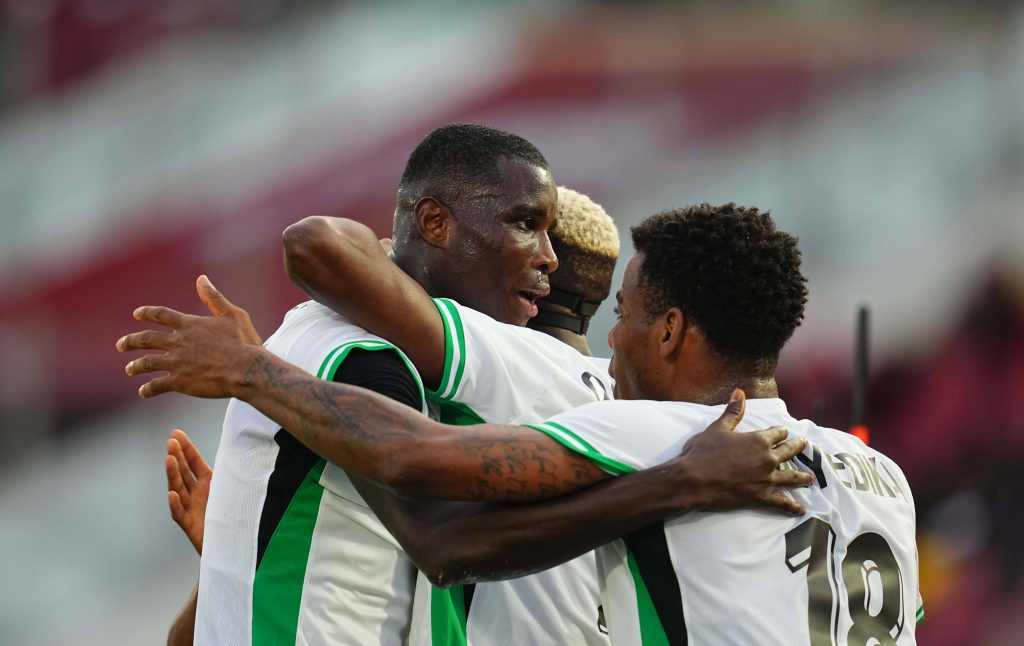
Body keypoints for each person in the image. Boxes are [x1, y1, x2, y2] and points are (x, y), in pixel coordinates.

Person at [122, 124, 809, 645]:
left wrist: (231, 556)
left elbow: (318, 245)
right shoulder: (363, 357)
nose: (544, 256)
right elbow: (443, 542)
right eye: (525, 225)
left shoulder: (313, 351)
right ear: (435, 222)